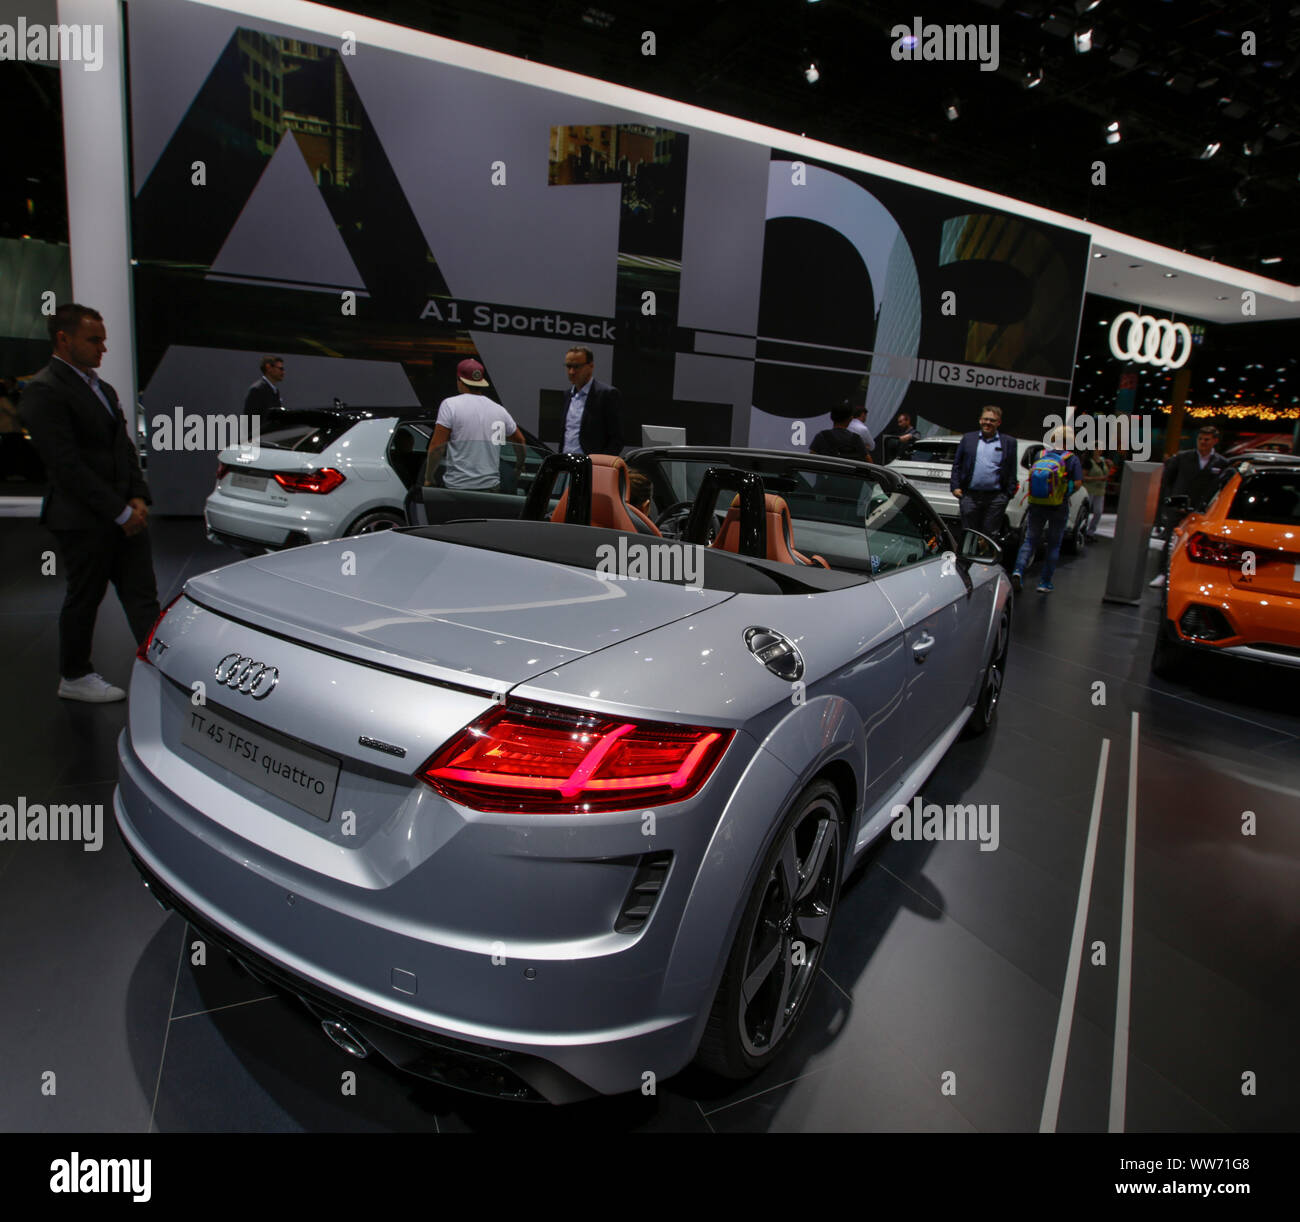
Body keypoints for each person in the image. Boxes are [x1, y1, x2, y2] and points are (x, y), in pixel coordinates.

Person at [20, 303, 160, 702]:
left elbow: (124, 449)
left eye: (103, 340)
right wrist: (119, 512)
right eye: (93, 340)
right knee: (85, 596)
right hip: (84, 520)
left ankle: (158, 664)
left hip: (124, 514)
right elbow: (67, 467)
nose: (103, 348)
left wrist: (137, 495)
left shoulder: (103, 389)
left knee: (142, 595)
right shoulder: (45, 391)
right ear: (63, 339)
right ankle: (74, 674)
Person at [422, 358, 525, 491]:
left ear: (459, 380)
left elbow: (437, 447)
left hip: (457, 488)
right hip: (491, 488)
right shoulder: (499, 410)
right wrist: (519, 465)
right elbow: (520, 440)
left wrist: (429, 477)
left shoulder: (450, 405)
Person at [1150, 425, 1228, 588]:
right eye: (1200, 439)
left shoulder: (1222, 463)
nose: (1203, 442)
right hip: (1179, 508)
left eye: (1207, 439)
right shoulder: (1182, 457)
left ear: (1215, 441)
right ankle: (1163, 573)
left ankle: (1194, 577)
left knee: (1202, 544)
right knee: (1171, 541)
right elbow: (1167, 482)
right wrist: (1170, 502)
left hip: (1204, 511)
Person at [1010, 425, 1083, 595]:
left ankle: (1018, 571)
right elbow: (1078, 483)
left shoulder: (1040, 455)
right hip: (1059, 505)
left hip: (1036, 503)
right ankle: (1044, 582)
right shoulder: (1072, 459)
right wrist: (1065, 492)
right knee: (1054, 544)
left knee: (1030, 540)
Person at [950, 404, 1017, 538]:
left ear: (999, 423)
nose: (987, 423)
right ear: (980, 420)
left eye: (992, 420)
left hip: (996, 498)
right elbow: (957, 464)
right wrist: (955, 487)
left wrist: (1007, 495)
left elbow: (1011, 469)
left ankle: (985, 558)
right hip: (969, 496)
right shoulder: (968, 439)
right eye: (985, 419)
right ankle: (966, 559)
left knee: (989, 534)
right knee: (969, 533)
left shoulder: (1009, 442)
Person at [562, 346, 623, 456]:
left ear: (591, 366)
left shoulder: (607, 395)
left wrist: (599, 465)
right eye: (568, 366)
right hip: (566, 465)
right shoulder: (567, 395)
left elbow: (617, 439)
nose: (571, 372)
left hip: (591, 467)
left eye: (577, 367)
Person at [243, 355, 284, 430]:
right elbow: (250, 421)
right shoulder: (257, 390)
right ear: (268, 368)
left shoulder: (275, 391)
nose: (283, 372)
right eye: (280, 368)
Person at [1081, 449, 1112, 541]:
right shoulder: (1088, 462)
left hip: (1100, 491)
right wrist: (1098, 478)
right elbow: (1083, 477)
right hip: (1089, 489)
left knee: (1098, 512)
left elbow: (1106, 474)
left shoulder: (1103, 461)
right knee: (1085, 511)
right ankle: (1081, 529)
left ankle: (1090, 532)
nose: (1100, 450)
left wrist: (1109, 467)